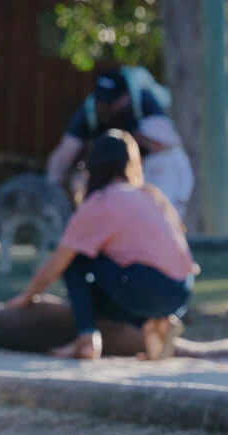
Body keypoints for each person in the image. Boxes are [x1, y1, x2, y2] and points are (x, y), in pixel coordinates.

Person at [10, 130, 195, 361]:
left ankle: (88, 339)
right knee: (104, 281)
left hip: (149, 290)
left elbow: (57, 264)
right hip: (180, 292)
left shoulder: (101, 201)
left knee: (76, 259)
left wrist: (27, 297)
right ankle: (158, 323)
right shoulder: (150, 194)